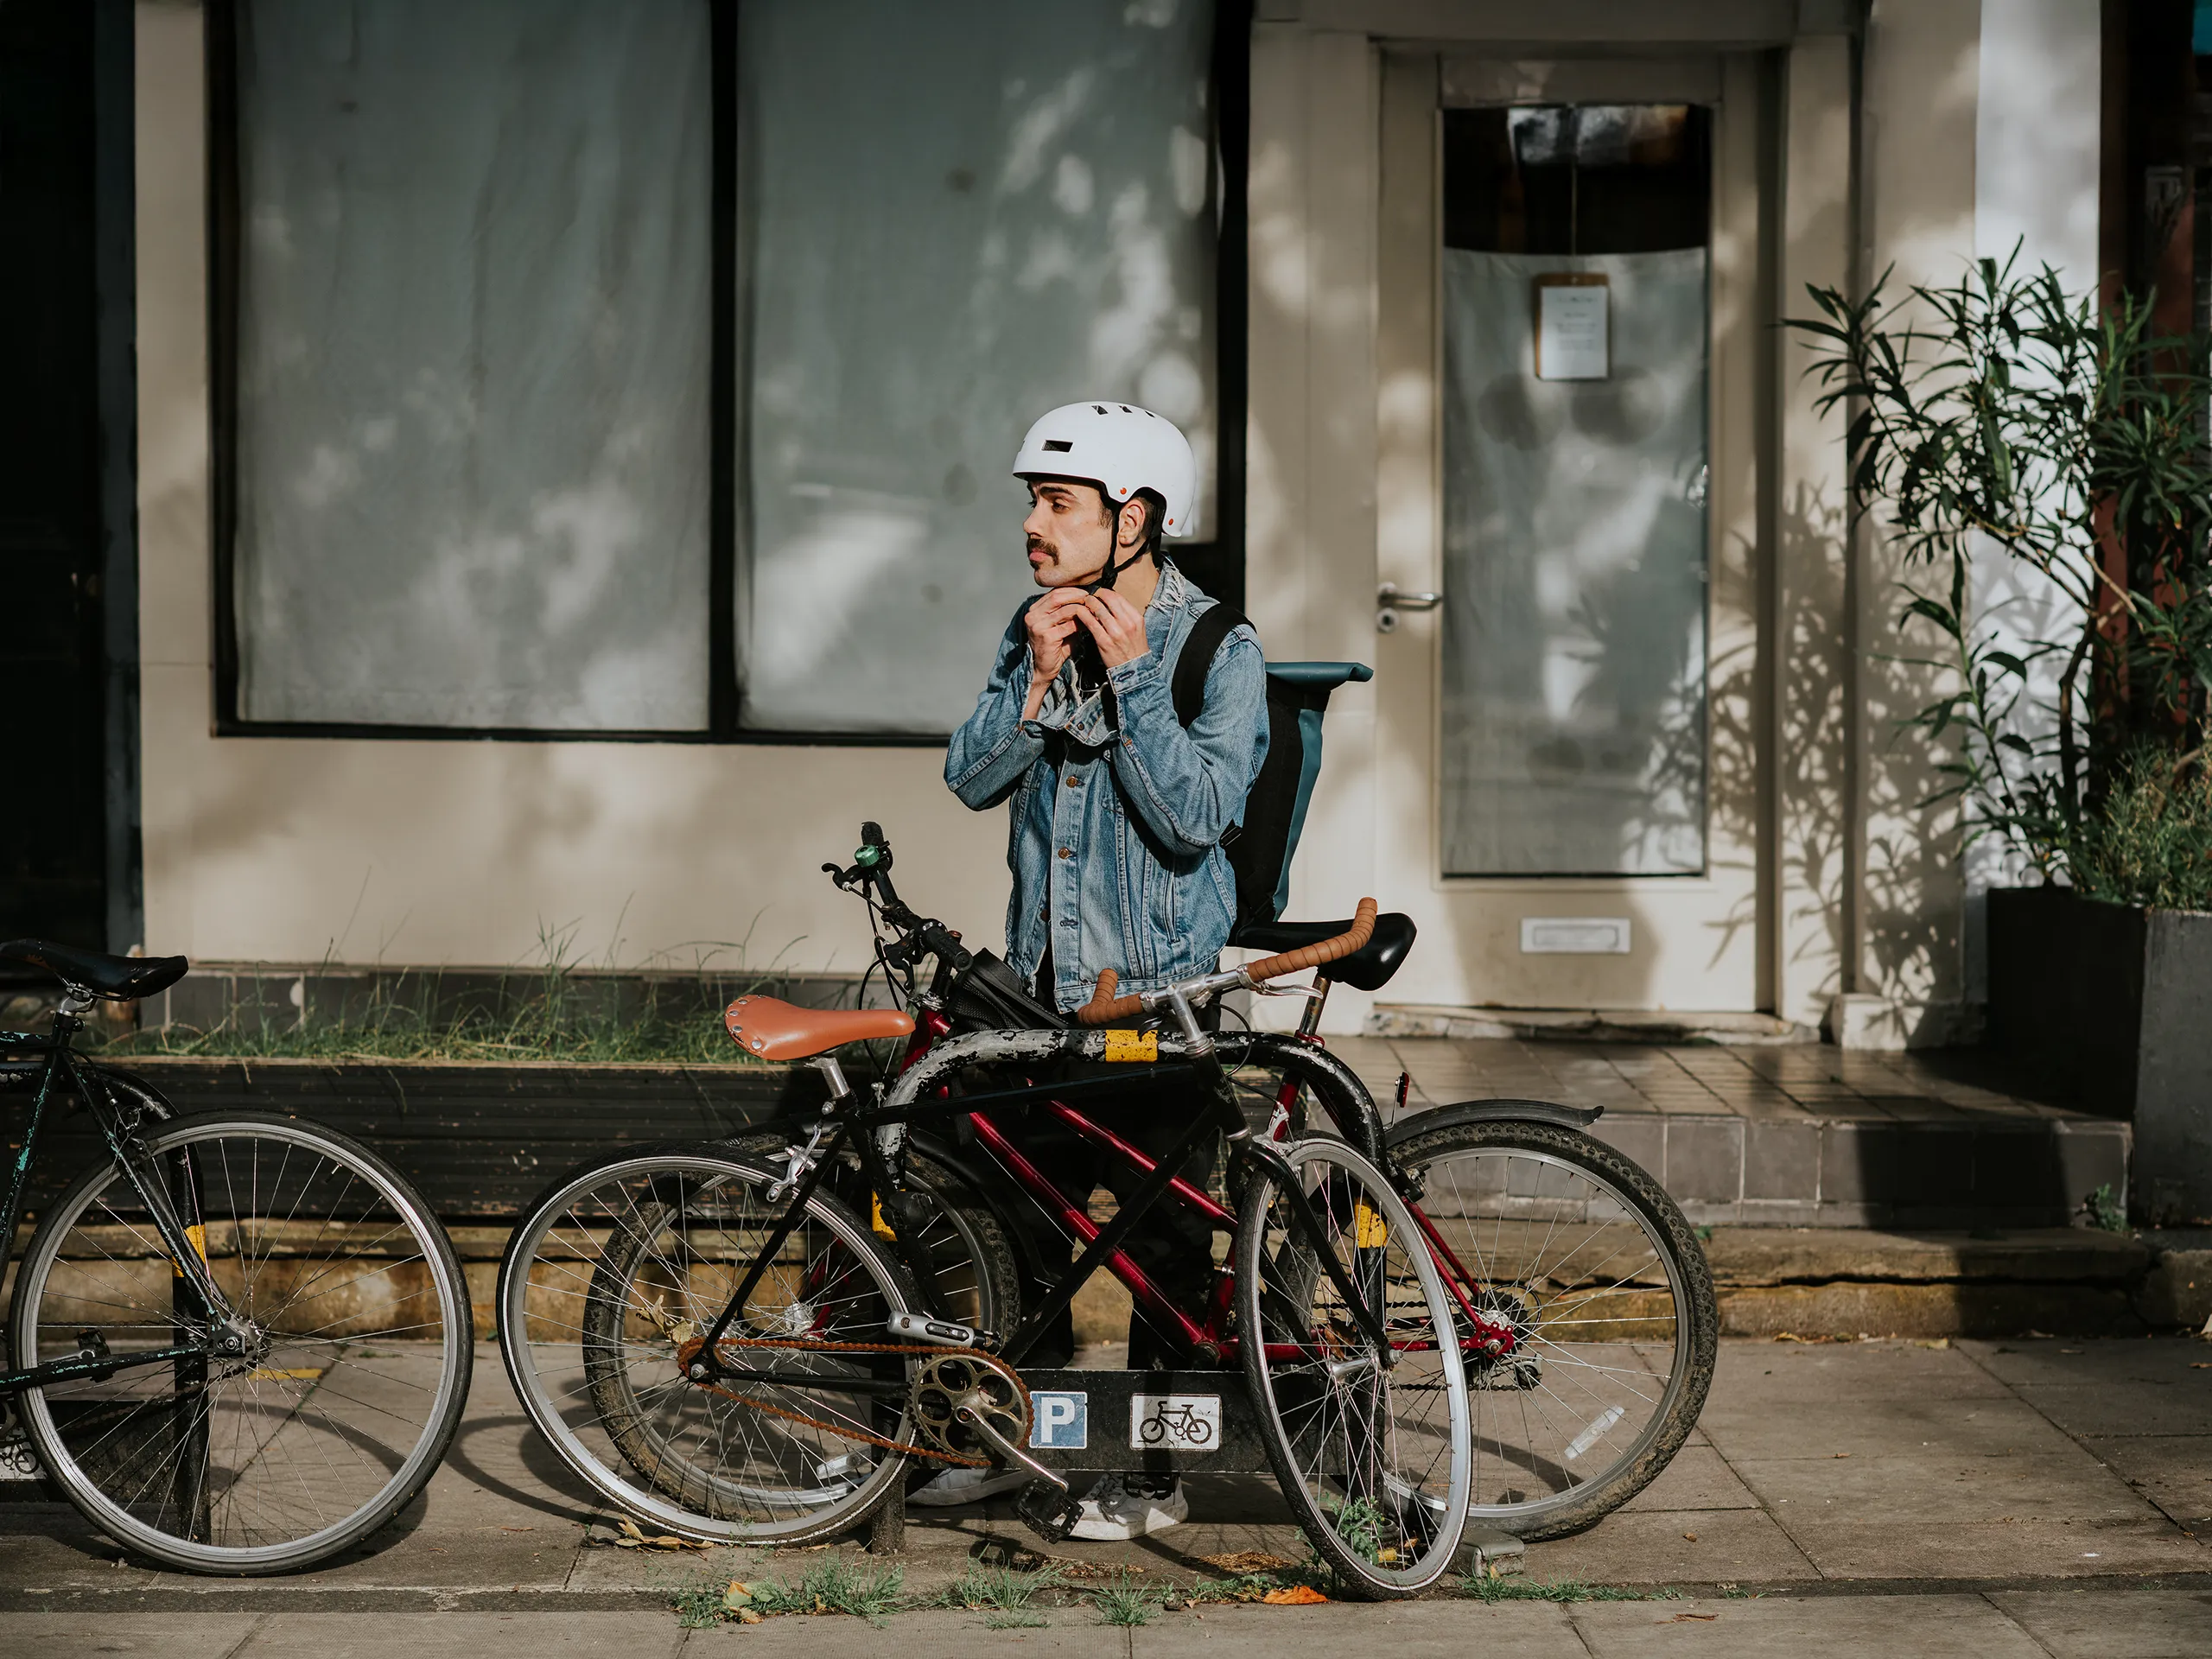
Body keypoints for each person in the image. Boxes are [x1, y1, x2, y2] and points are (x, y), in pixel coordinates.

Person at [918, 402, 1268, 1540]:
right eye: (1033, 501)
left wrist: (1125, 689)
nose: (1033, 523)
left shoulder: (1221, 649)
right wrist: (1035, 676)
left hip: (1158, 998)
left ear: (1137, 516)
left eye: (1057, 503)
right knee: (1011, 1219)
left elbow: (1201, 818)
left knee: (1166, 1241)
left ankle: (1152, 1474)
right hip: (1035, 992)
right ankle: (1020, 1437)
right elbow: (970, 779)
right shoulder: (1034, 627)